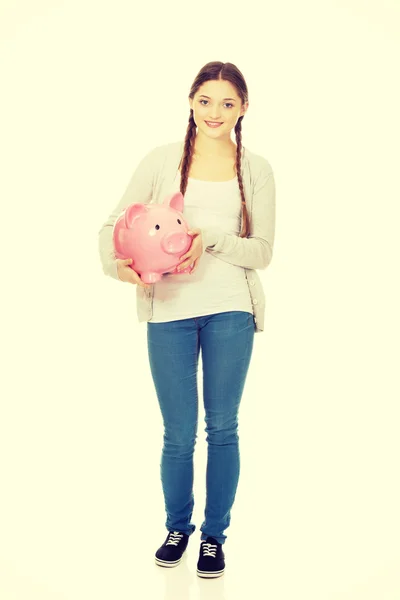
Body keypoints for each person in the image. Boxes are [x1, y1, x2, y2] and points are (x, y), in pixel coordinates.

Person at [98, 61, 276, 579]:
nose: (214, 112)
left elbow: (262, 251)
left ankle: (214, 537)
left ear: (243, 108)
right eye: (205, 100)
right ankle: (179, 527)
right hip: (169, 311)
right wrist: (122, 269)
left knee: (223, 428)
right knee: (178, 433)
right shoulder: (160, 161)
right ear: (190, 101)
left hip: (230, 310)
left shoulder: (256, 170)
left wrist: (209, 240)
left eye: (227, 103)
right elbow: (114, 226)